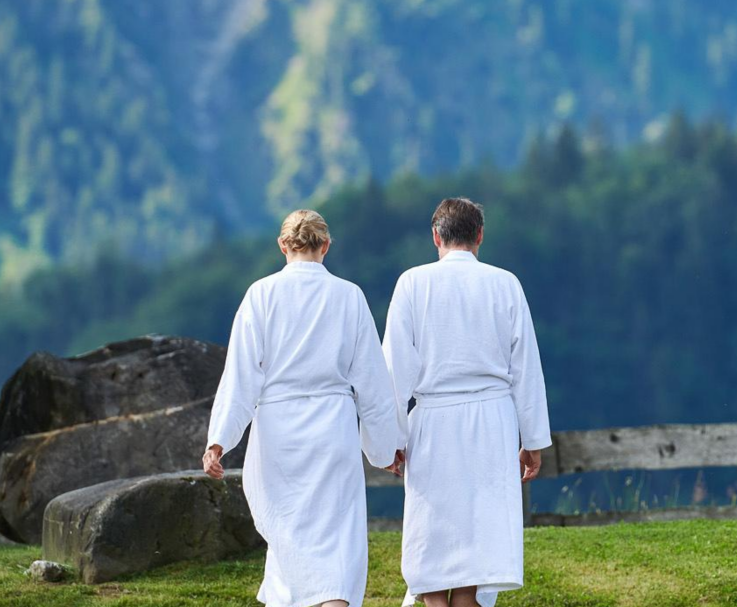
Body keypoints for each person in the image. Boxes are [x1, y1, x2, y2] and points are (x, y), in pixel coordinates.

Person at [203, 209, 408, 607]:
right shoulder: (349, 296)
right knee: (336, 536)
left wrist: (219, 442)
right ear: (326, 246)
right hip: (333, 429)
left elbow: (240, 377)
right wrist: (386, 448)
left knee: (287, 537)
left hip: (278, 433)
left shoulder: (260, 295)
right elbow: (372, 380)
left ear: (283, 245)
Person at [385, 197, 551, 607]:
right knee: (475, 546)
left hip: (434, 421)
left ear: (436, 236)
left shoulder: (413, 282)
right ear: (479, 235)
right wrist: (533, 440)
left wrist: (388, 437)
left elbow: (393, 370)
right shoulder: (505, 283)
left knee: (432, 536)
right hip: (491, 422)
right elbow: (526, 367)